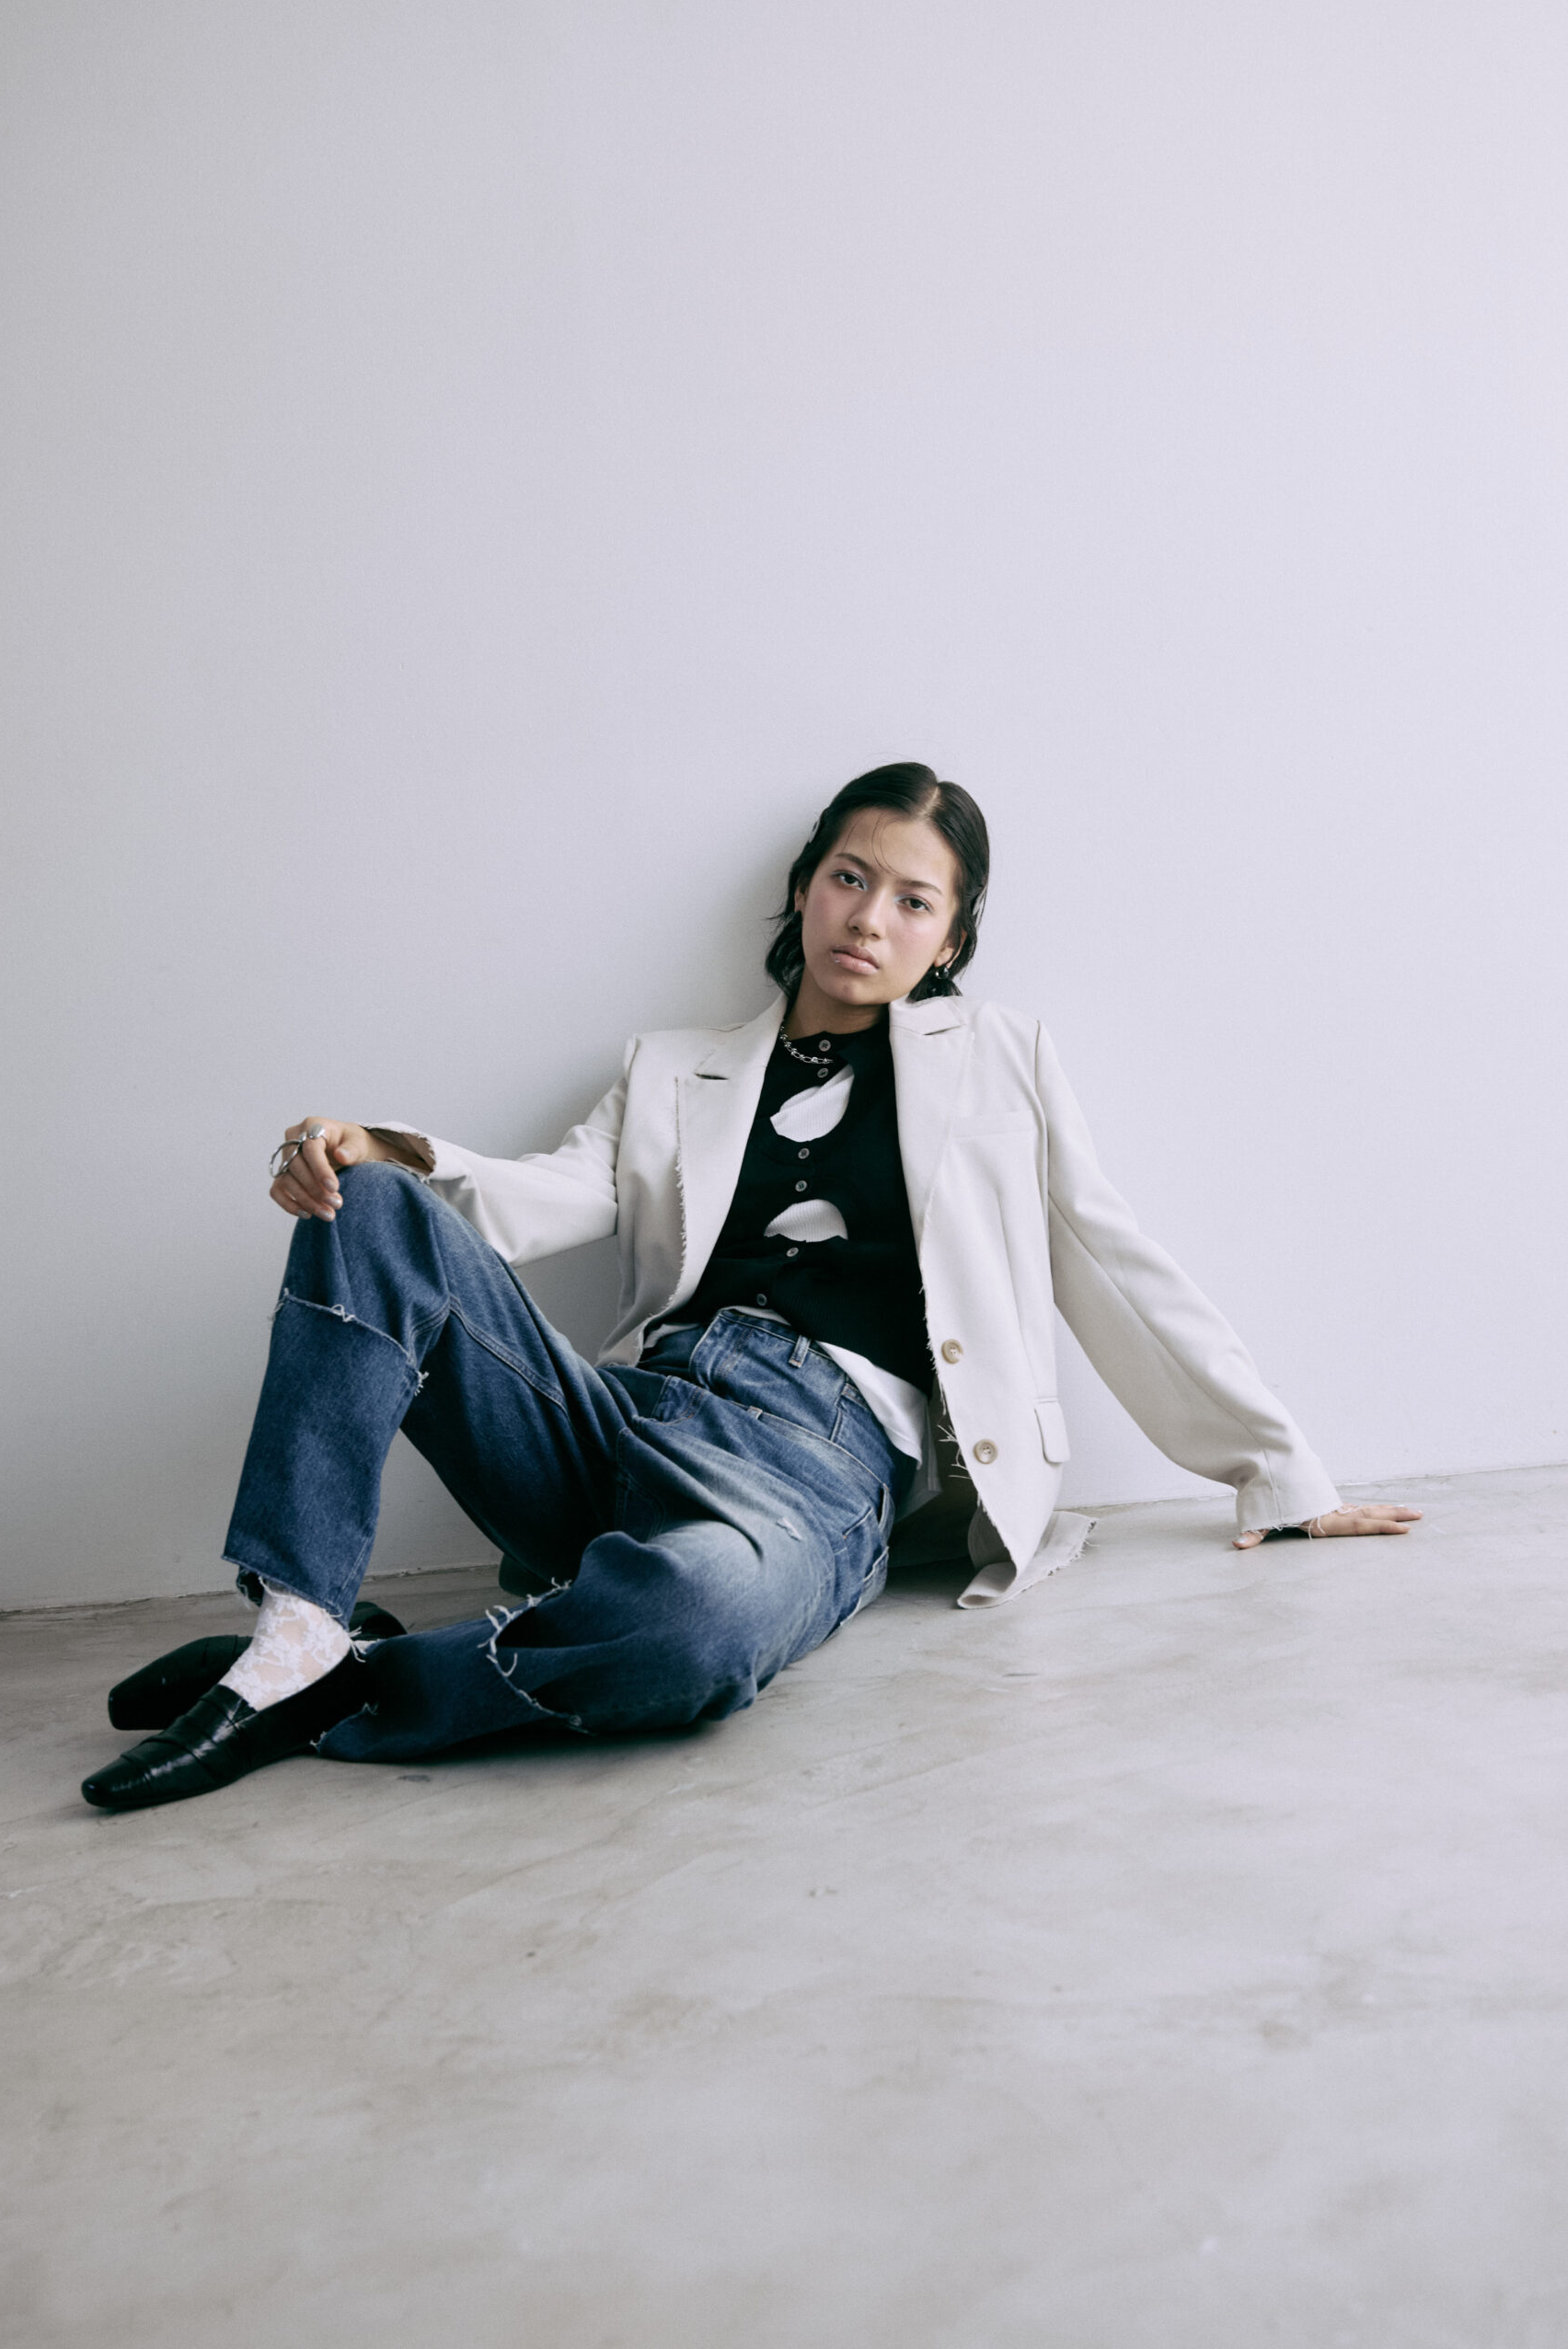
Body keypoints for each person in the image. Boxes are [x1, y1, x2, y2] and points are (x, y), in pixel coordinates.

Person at [81, 764, 1419, 1810]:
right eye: (851, 877)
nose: (870, 918)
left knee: (697, 1626)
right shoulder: (674, 1068)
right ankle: (300, 1615)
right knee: (369, 1200)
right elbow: (548, 1196)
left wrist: (1278, 1471)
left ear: (951, 940)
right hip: (621, 1418)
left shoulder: (998, 1060)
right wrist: (389, 1150)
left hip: (812, 1464)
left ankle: (343, 1678)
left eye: (914, 901)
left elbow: (1114, 1258)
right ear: (805, 888)